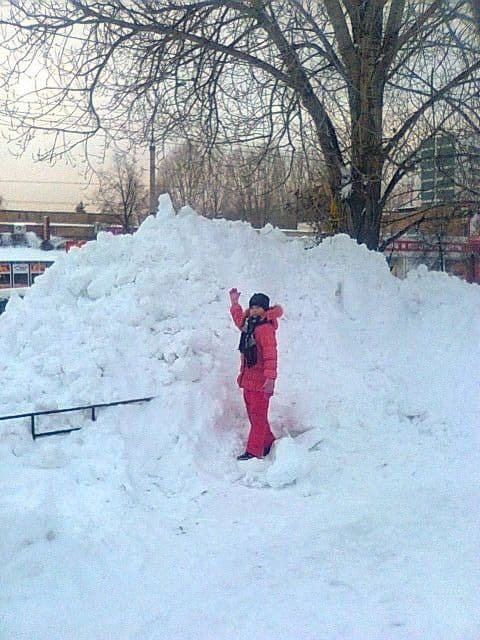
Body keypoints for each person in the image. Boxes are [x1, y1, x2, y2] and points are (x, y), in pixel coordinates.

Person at [229, 288, 283, 460]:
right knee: (254, 416)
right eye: (252, 307)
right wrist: (235, 303)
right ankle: (267, 442)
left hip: (261, 382)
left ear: (265, 309)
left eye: (259, 307)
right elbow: (239, 320)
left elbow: (270, 355)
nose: (254, 310)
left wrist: (270, 379)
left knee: (258, 418)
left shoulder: (265, 329)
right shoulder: (249, 324)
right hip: (248, 380)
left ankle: (254, 452)